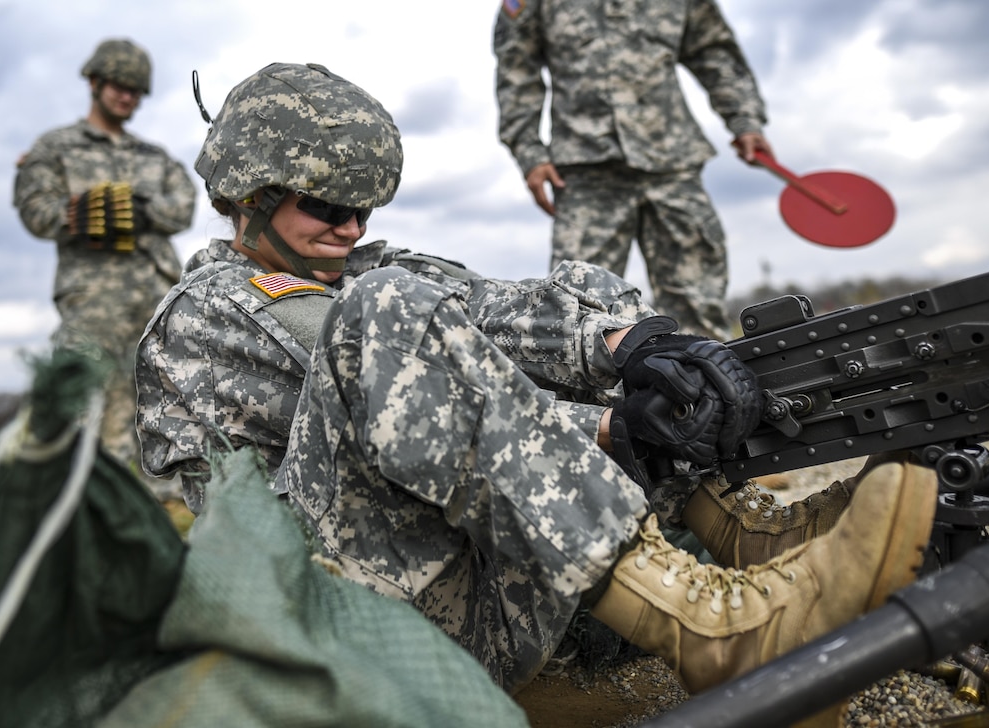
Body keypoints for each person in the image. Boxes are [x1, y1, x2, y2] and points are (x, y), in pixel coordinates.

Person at [137, 63, 937, 721]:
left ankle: (742, 536)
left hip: (457, 588)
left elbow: (498, 312)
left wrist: (636, 344)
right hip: (354, 635)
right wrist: (616, 433)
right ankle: (708, 627)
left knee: (589, 295)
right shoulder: (209, 318)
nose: (350, 226)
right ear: (251, 193)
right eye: (326, 205)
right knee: (387, 314)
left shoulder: (364, 269)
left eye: (363, 206)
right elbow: (417, 386)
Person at [492, 0, 773, 342]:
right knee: (575, 313)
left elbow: (714, 51)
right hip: (586, 171)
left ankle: (705, 389)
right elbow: (516, 69)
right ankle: (589, 398)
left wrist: (744, 119)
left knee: (697, 308)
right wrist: (530, 153)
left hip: (672, 162)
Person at [13, 38, 196, 501]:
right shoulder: (56, 147)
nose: (127, 96)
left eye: (136, 90)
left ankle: (161, 501)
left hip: (156, 293)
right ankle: (88, 497)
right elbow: (35, 208)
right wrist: (75, 214)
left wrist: (141, 211)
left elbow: (184, 204)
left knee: (159, 394)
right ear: (94, 82)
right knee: (91, 395)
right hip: (92, 294)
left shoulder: (154, 157)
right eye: (119, 85)